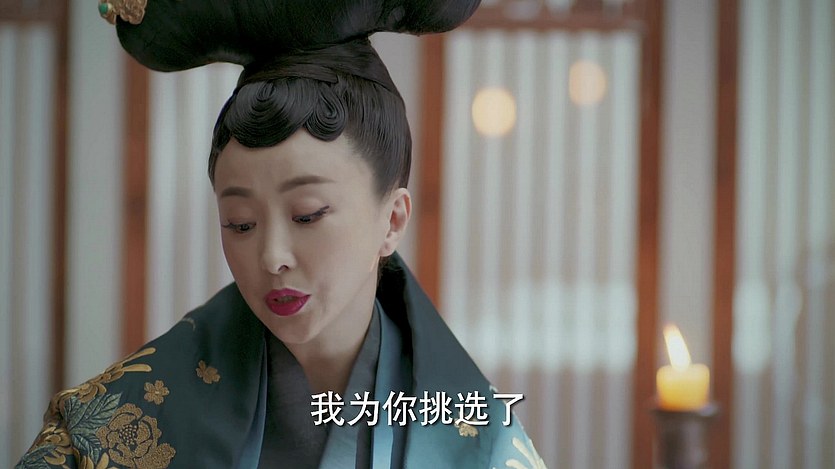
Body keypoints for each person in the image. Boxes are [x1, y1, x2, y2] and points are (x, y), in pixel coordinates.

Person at [17, 1, 545, 467]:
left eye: (308, 215)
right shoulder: (101, 435)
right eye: (240, 224)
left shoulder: (482, 448)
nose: (271, 256)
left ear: (393, 220)